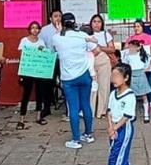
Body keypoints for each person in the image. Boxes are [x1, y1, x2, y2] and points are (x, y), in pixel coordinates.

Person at [92, 63, 136, 165]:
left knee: (115, 160)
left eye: (117, 76)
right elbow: (109, 111)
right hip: (114, 128)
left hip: (124, 128)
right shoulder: (113, 94)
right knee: (120, 158)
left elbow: (127, 116)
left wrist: (115, 128)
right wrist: (110, 127)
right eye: (112, 75)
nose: (113, 78)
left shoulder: (130, 96)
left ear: (126, 77)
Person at [54, 13, 100, 149]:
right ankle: (88, 134)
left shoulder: (56, 37)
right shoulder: (82, 36)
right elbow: (96, 48)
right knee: (86, 104)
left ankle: (76, 139)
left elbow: (53, 49)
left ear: (61, 23)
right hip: (85, 75)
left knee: (73, 108)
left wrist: (58, 31)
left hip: (68, 78)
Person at [17, 21, 52, 129]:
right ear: (29, 29)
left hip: (39, 72)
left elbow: (43, 54)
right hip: (28, 71)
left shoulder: (41, 41)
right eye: (33, 28)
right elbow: (22, 54)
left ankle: (38, 116)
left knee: (39, 94)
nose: (35, 30)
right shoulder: (24, 40)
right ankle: (21, 118)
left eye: (37, 28)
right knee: (26, 94)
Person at [90, 14, 116, 119]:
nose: (96, 24)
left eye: (99, 22)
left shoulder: (105, 34)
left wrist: (100, 47)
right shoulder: (86, 35)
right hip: (90, 62)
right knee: (92, 87)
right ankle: (90, 110)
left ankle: (102, 111)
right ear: (91, 23)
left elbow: (112, 49)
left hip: (104, 62)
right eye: (94, 21)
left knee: (104, 86)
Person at [122, 40, 151, 123]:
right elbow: (124, 64)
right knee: (132, 96)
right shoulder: (127, 56)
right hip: (132, 75)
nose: (131, 48)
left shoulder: (142, 55)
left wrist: (147, 69)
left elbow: (150, 60)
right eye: (130, 46)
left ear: (138, 47)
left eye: (133, 46)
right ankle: (132, 114)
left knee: (144, 95)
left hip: (141, 75)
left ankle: (146, 114)